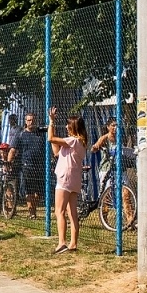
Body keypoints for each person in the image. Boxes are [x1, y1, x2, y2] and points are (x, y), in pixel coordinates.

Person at [48, 108, 86, 253]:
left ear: (73, 127)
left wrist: (51, 122)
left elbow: (51, 138)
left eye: (68, 125)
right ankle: (73, 244)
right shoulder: (79, 142)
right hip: (74, 179)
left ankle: (62, 242)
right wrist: (53, 132)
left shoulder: (73, 140)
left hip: (65, 178)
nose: (66, 127)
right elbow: (57, 152)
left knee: (59, 211)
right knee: (72, 212)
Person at [12, 113, 47, 220]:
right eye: (28, 120)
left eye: (32, 120)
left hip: (41, 166)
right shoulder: (21, 134)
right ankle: (32, 213)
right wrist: (9, 161)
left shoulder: (40, 132)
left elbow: (51, 130)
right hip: (27, 166)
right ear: (25, 121)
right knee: (29, 191)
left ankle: (34, 208)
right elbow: (13, 149)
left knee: (39, 194)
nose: (31, 122)